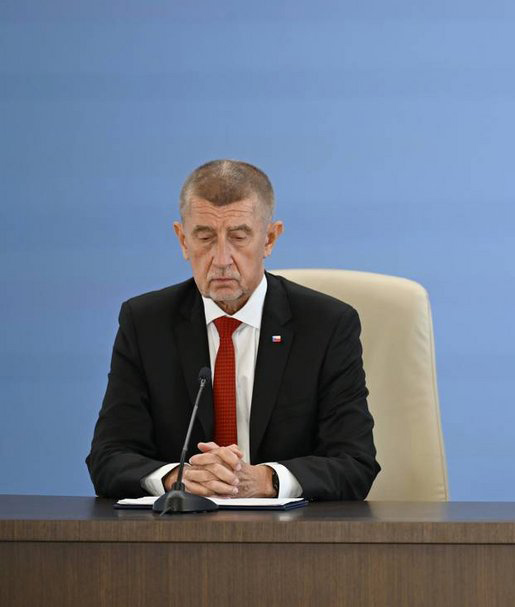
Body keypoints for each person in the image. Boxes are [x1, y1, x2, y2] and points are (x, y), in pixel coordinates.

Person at [87, 160, 379, 501]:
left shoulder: (326, 325)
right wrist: (179, 478)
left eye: (239, 237)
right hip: (181, 529)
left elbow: (355, 462)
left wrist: (267, 480)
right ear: (183, 240)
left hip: (289, 530)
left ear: (269, 239)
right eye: (205, 238)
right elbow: (108, 458)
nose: (222, 259)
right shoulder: (146, 323)